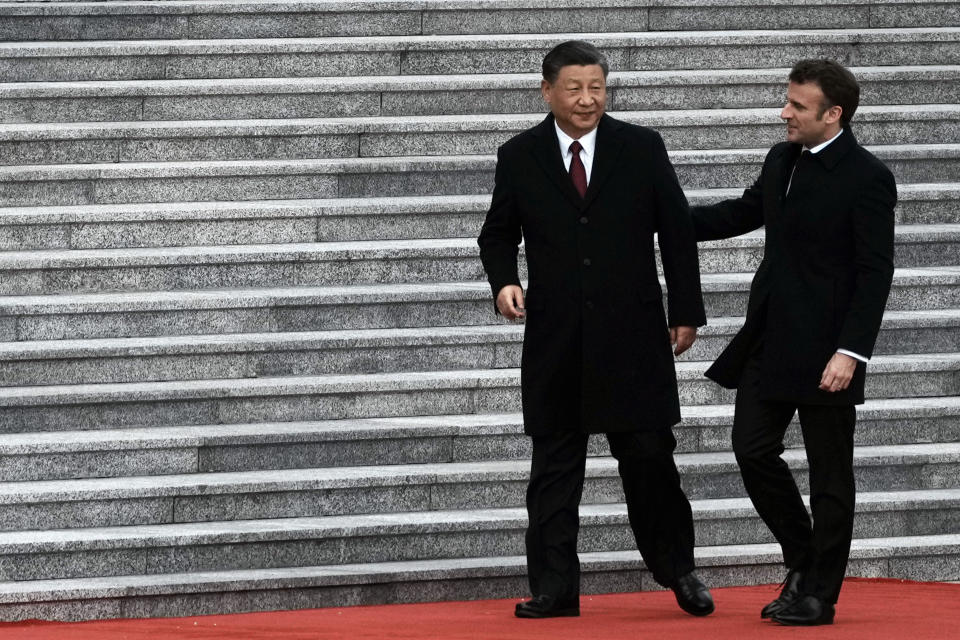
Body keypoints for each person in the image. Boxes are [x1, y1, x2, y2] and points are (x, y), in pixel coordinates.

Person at [478, 40, 714, 620]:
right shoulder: (520, 154)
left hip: (632, 337)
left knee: (650, 461)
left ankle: (679, 571)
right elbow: (497, 233)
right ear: (547, 90)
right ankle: (554, 588)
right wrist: (504, 280)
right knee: (554, 469)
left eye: (597, 88)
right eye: (575, 89)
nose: (587, 100)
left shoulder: (641, 146)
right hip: (557, 339)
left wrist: (684, 310)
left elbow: (676, 232)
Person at [690, 59, 896, 626]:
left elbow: (876, 271)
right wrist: (663, 219)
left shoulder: (868, 177)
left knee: (831, 476)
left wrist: (850, 352)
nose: (784, 112)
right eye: (786, 101)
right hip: (771, 338)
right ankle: (803, 557)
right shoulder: (781, 158)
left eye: (797, 106)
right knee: (752, 449)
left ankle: (818, 594)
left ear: (834, 114)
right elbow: (744, 211)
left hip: (829, 349)